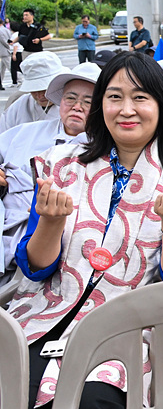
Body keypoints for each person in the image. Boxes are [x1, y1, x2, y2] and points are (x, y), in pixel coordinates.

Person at [1, 51, 163, 409]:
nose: (126, 109)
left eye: (140, 97)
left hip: (131, 324)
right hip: (47, 310)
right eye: (114, 97)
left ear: (161, 106)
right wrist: (50, 222)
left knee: (93, 406)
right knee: (12, 392)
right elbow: (36, 267)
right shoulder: (63, 164)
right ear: (101, 107)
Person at [0, 62, 98, 278]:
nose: (77, 106)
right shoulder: (24, 133)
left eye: (88, 102)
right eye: (70, 98)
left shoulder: (106, 148)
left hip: (58, 249)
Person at [0, 51, 61, 134]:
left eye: (44, 90)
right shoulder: (19, 105)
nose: (40, 96)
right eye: (34, 90)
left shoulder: (72, 106)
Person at [0, 19, 11, 89]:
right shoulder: (6, 30)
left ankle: (18, 79)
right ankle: (0, 82)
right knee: (2, 68)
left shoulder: (0, 30)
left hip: (3, 50)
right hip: (6, 50)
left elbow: (2, 40)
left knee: (9, 66)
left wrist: (7, 46)